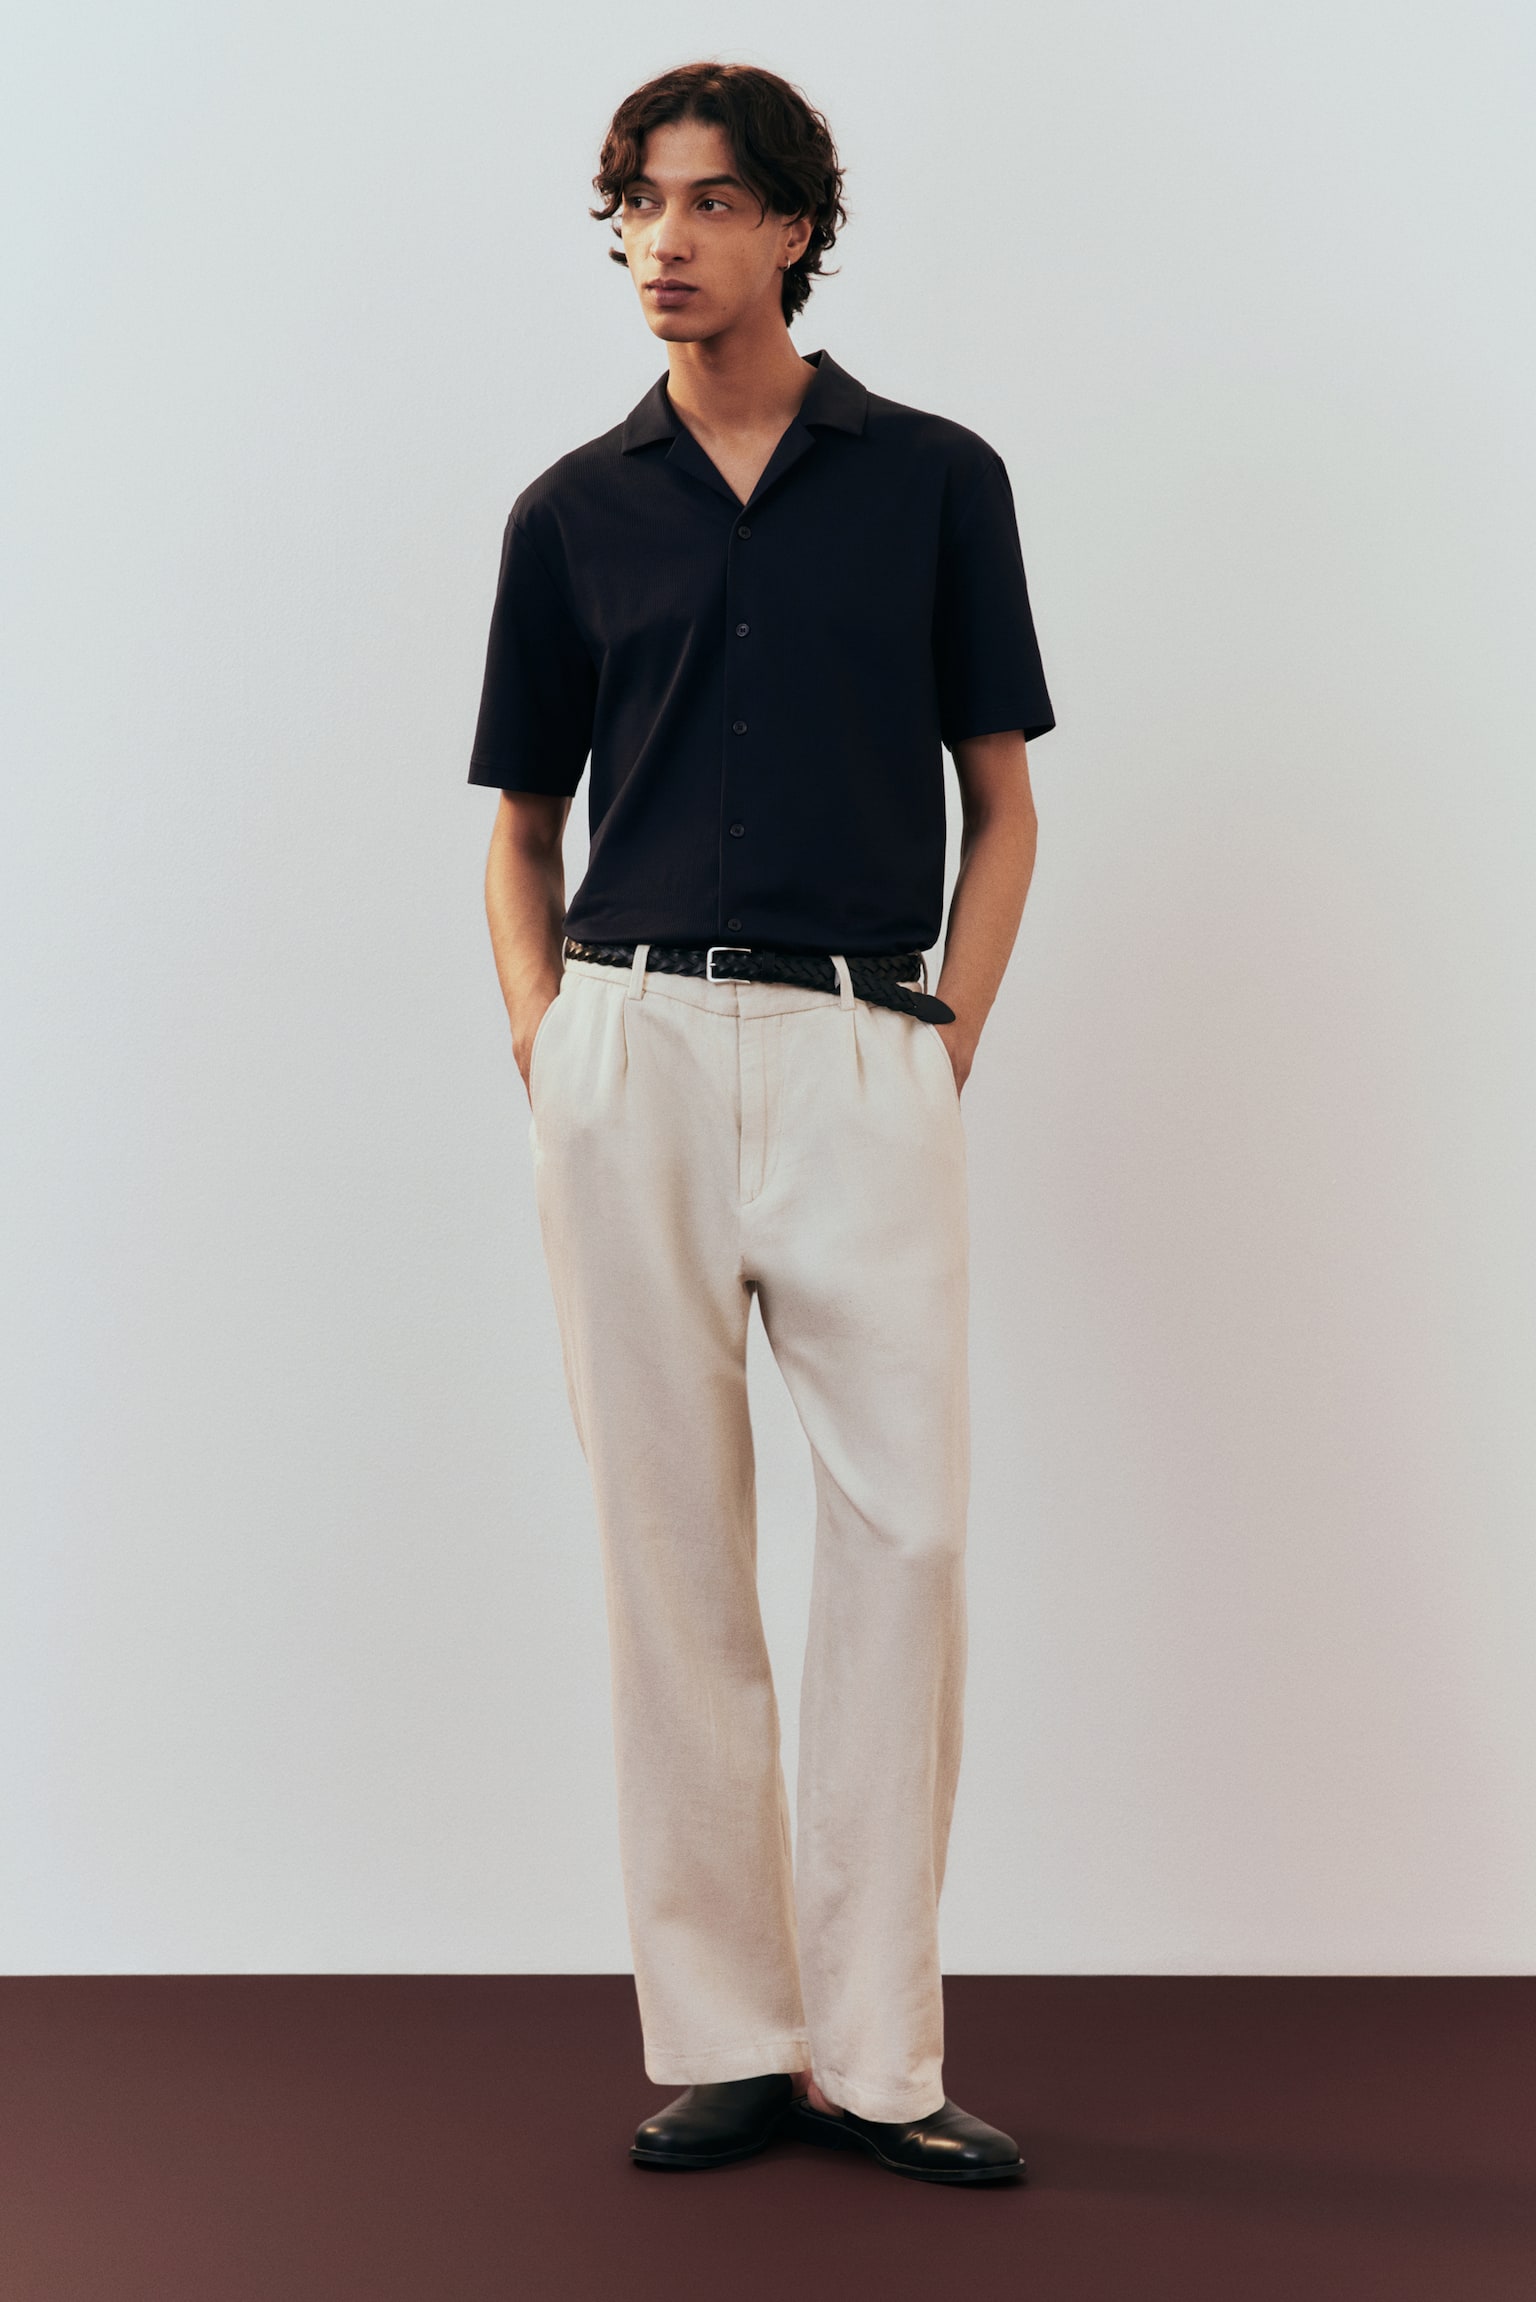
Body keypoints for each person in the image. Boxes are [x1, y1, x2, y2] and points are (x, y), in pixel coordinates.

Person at [468, 60, 1054, 2185]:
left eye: (714, 202)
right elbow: (520, 828)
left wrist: (940, 1036)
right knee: (669, 1550)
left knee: (909, 1537)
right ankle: (726, 2031)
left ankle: (880, 2048)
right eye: (639, 202)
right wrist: (548, 1045)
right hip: (626, 1046)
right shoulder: (571, 513)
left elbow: (1002, 804)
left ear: (799, 227)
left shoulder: (936, 483)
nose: (666, 239)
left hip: (859, 1039)